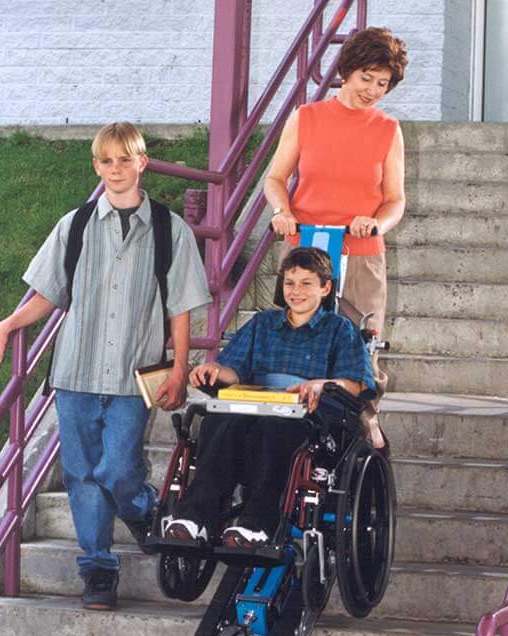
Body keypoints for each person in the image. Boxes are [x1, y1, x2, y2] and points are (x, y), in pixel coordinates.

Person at [0, 122, 210, 610]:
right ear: (96, 166)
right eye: (107, 161)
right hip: (76, 373)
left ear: (142, 163)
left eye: (126, 159)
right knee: (82, 473)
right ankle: (98, 569)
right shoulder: (76, 226)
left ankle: (142, 508)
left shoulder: (171, 230)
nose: (117, 169)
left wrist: (179, 368)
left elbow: (181, 307)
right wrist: (7, 324)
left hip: (132, 375)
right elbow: (47, 295)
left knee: (120, 469)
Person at [164, 247, 375, 549]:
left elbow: (357, 384)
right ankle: (194, 518)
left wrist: (320, 384)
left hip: (306, 416)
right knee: (219, 422)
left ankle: (257, 525)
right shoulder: (263, 324)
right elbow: (235, 372)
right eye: (290, 283)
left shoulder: (339, 329)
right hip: (255, 403)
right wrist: (213, 370)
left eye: (306, 283)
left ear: (325, 287)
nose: (296, 291)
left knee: (273, 431)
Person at [263, 26, 408, 454]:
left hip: (359, 250)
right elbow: (275, 178)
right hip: (306, 246)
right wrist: (281, 211)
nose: (373, 90)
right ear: (346, 70)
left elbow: (396, 200)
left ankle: (366, 417)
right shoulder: (306, 117)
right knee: (297, 333)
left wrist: (376, 223)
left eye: (383, 84)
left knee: (362, 338)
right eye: (367, 78)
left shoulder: (388, 129)